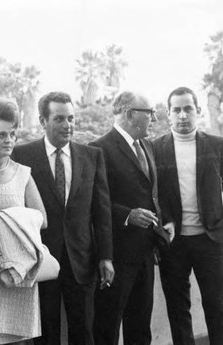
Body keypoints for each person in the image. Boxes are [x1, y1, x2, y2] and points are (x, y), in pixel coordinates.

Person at [12, 91, 113, 345]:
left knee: (83, 332)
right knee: (46, 333)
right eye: (59, 119)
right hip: (41, 260)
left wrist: (106, 256)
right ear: (43, 121)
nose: (67, 125)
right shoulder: (23, 156)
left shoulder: (92, 156)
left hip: (83, 261)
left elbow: (101, 212)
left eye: (71, 118)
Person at [90, 91, 171, 345]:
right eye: (149, 113)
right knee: (108, 327)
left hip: (146, 253)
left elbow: (152, 193)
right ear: (129, 114)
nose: (154, 119)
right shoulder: (98, 149)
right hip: (116, 256)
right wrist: (127, 215)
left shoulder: (147, 145)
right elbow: (95, 203)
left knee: (140, 328)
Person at [0, 97, 48, 345]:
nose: (9, 141)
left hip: (18, 273)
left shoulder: (23, 173)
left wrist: (2, 221)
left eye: (12, 134)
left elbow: (42, 218)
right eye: (1, 135)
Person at [153, 86, 223, 345]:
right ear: (168, 114)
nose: (182, 115)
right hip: (174, 243)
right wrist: (162, 224)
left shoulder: (217, 146)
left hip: (211, 239)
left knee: (217, 306)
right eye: (176, 110)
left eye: (188, 109)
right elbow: (150, 195)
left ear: (198, 111)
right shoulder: (154, 148)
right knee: (177, 309)